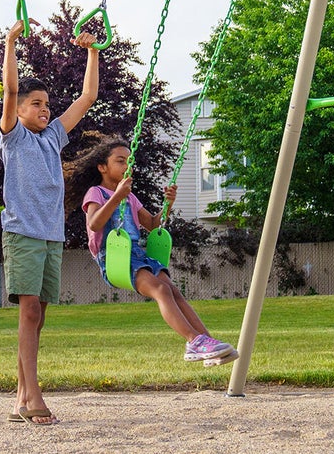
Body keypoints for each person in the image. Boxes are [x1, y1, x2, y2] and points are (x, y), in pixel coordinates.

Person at [0, 16, 99, 425]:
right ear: (20, 110)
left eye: (46, 105)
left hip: (50, 234)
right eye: (35, 104)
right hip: (22, 232)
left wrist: (92, 51)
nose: (44, 109)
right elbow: (9, 89)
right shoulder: (13, 137)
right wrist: (10, 43)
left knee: (39, 316)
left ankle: (21, 397)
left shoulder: (53, 137)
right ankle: (33, 396)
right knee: (29, 313)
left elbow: (88, 96)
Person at [68, 136, 237, 365]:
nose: (127, 166)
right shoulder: (96, 193)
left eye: (130, 161)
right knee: (160, 289)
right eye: (120, 161)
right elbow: (95, 224)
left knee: (173, 291)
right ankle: (193, 340)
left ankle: (206, 342)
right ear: (102, 167)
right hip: (114, 256)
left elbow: (153, 225)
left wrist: (168, 205)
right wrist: (117, 196)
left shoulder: (131, 197)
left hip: (136, 253)